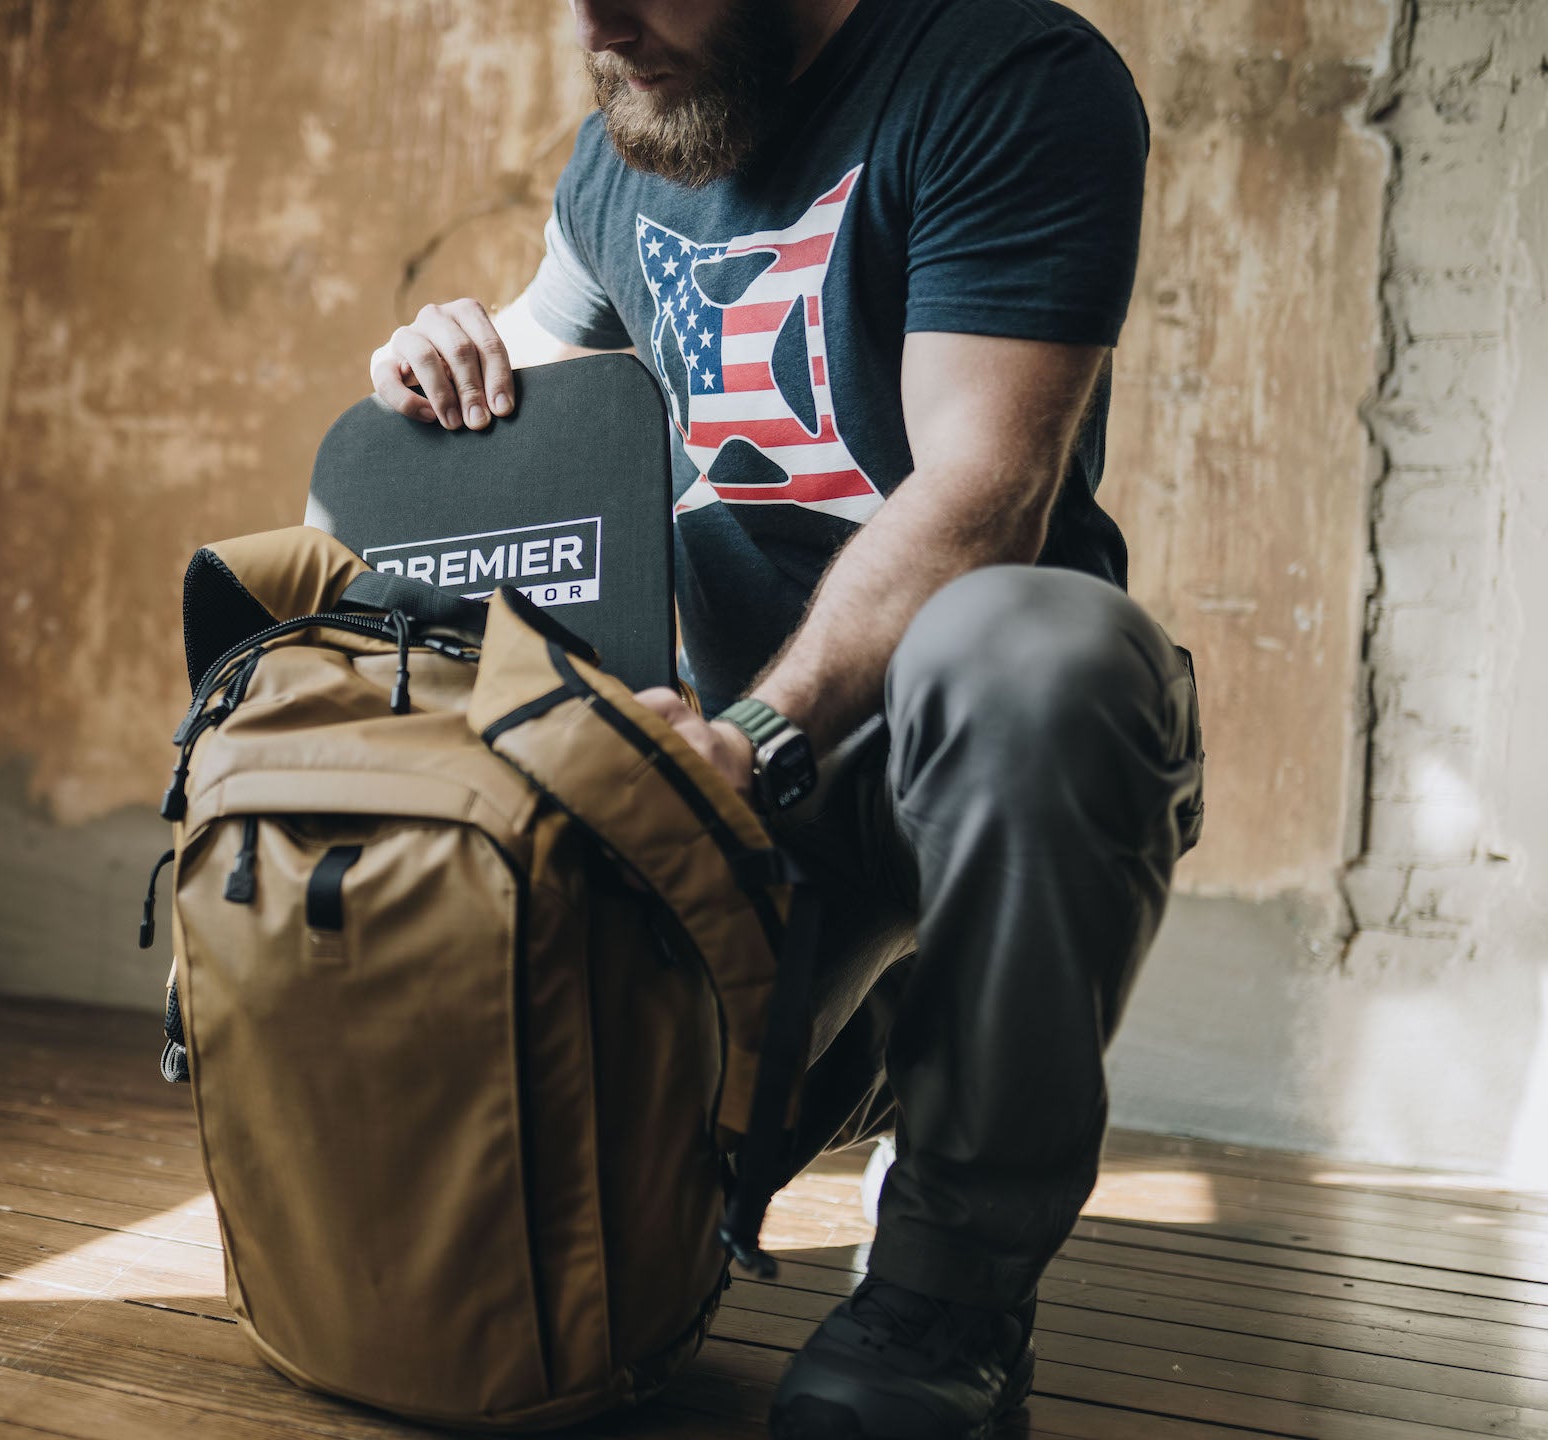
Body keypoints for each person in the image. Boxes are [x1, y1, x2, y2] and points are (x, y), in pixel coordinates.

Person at [369, 1, 1205, 1436]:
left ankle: (953, 1283)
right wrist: (429, 365)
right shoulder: (626, 150)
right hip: (739, 796)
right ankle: (880, 1064)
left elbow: (985, 495)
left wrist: (747, 742)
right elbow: (528, 384)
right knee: (535, 1304)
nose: (594, 21)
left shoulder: (1005, 80)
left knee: (1043, 652)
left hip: (942, 757)